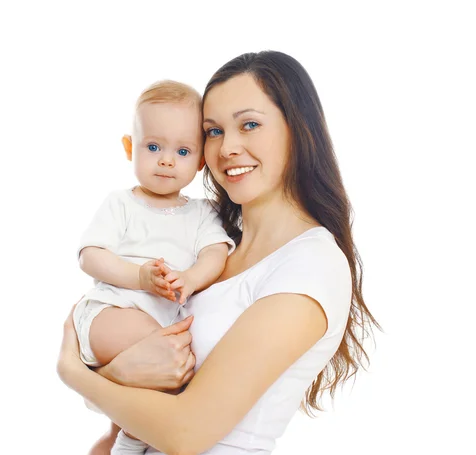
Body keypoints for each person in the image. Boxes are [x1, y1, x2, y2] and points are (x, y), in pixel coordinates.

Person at [58, 50, 380, 455]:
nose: (228, 148)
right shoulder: (212, 252)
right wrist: (117, 372)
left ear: (298, 131)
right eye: (213, 131)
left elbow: (186, 433)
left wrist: (74, 372)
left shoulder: (310, 266)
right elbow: (139, 386)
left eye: (249, 125)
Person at [73, 80, 235, 452]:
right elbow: (90, 255)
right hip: (112, 312)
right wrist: (140, 277)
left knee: (167, 368)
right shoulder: (122, 204)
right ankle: (132, 438)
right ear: (130, 148)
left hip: (160, 321)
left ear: (199, 161)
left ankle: (114, 438)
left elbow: (215, 253)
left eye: (182, 150)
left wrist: (191, 278)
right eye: (153, 147)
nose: (166, 159)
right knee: (170, 362)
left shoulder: (201, 213)